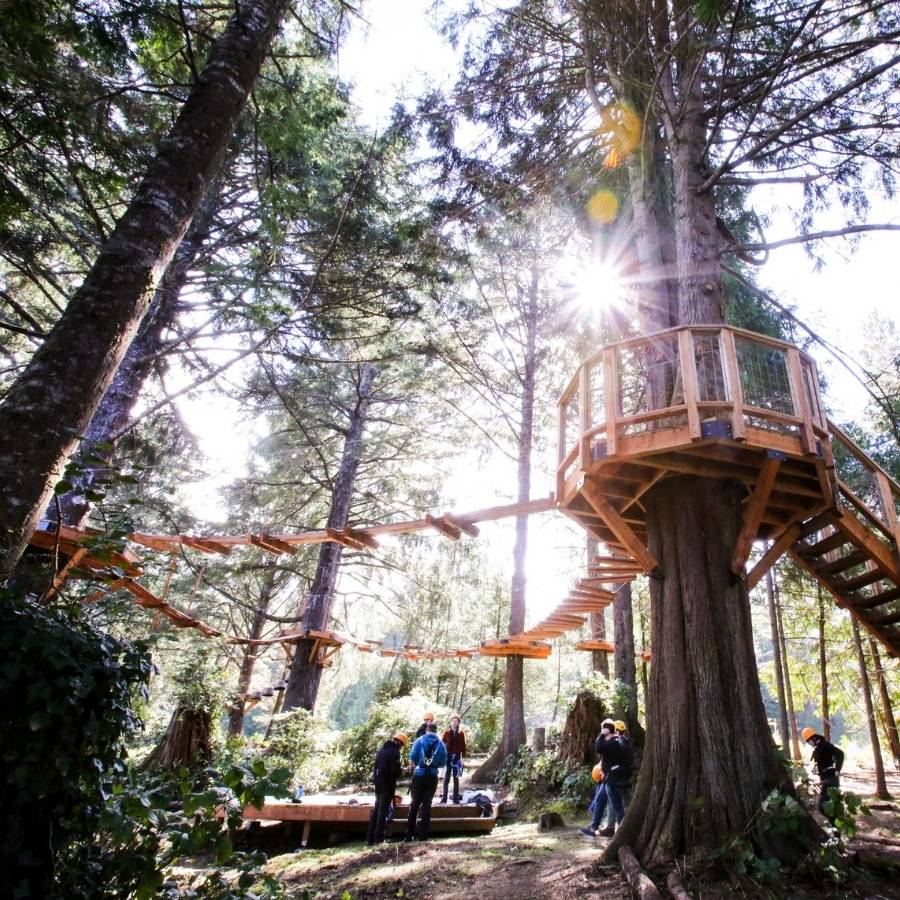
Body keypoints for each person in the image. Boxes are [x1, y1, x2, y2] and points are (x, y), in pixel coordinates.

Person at [579, 718, 632, 838]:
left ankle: (624, 833)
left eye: (603, 730)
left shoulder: (615, 742)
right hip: (608, 778)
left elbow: (598, 747)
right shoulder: (618, 742)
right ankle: (593, 827)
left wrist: (602, 735)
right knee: (600, 800)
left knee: (616, 806)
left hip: (613, 779)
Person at [404, 721, 448, 842]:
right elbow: (443, 762)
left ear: (427, 730)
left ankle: (409, 836)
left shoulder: (419, 741)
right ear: (435, 730)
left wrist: (412, 769)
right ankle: (423, 835)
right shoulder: (441, 744)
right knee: (427, 805)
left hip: (419, 775)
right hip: (432, 776)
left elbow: (412, 759)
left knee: (414, 805)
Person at [367, 732, 407, 845]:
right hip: (387, 785)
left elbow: (376, 767)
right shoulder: (395, 753)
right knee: (383, 811)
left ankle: (370, 838)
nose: (401, 747)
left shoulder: (382, 750)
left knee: (376, 809)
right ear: (399, 742)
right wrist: (400, 771)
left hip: (378, 783)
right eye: (402, 745)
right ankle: (378, 839)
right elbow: (394, 771)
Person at [802, 726, 844, 823]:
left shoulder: (824, 745)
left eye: (808, 741)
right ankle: (838, 828)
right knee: (828, 806)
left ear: (813, 738)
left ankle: (838, 827)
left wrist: (838, 769)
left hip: (831, 779)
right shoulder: (818, 748)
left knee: (823, 806)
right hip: (826, 778)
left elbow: (840, 753)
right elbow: (822, 761)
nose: (808, 744)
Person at [440, 713, 467, 804]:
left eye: (456, 721)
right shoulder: (446, 733)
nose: (455, 723)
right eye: (453, 721)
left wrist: (463, 758)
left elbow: (463, 746)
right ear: (450, 722)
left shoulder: (461, 733)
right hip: (448, 758)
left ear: (458, 723)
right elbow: (442, 746)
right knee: (446, 779)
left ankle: (455, 799)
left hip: (457, 758)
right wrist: (442, 757)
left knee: (456, 779)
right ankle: (444, 798)